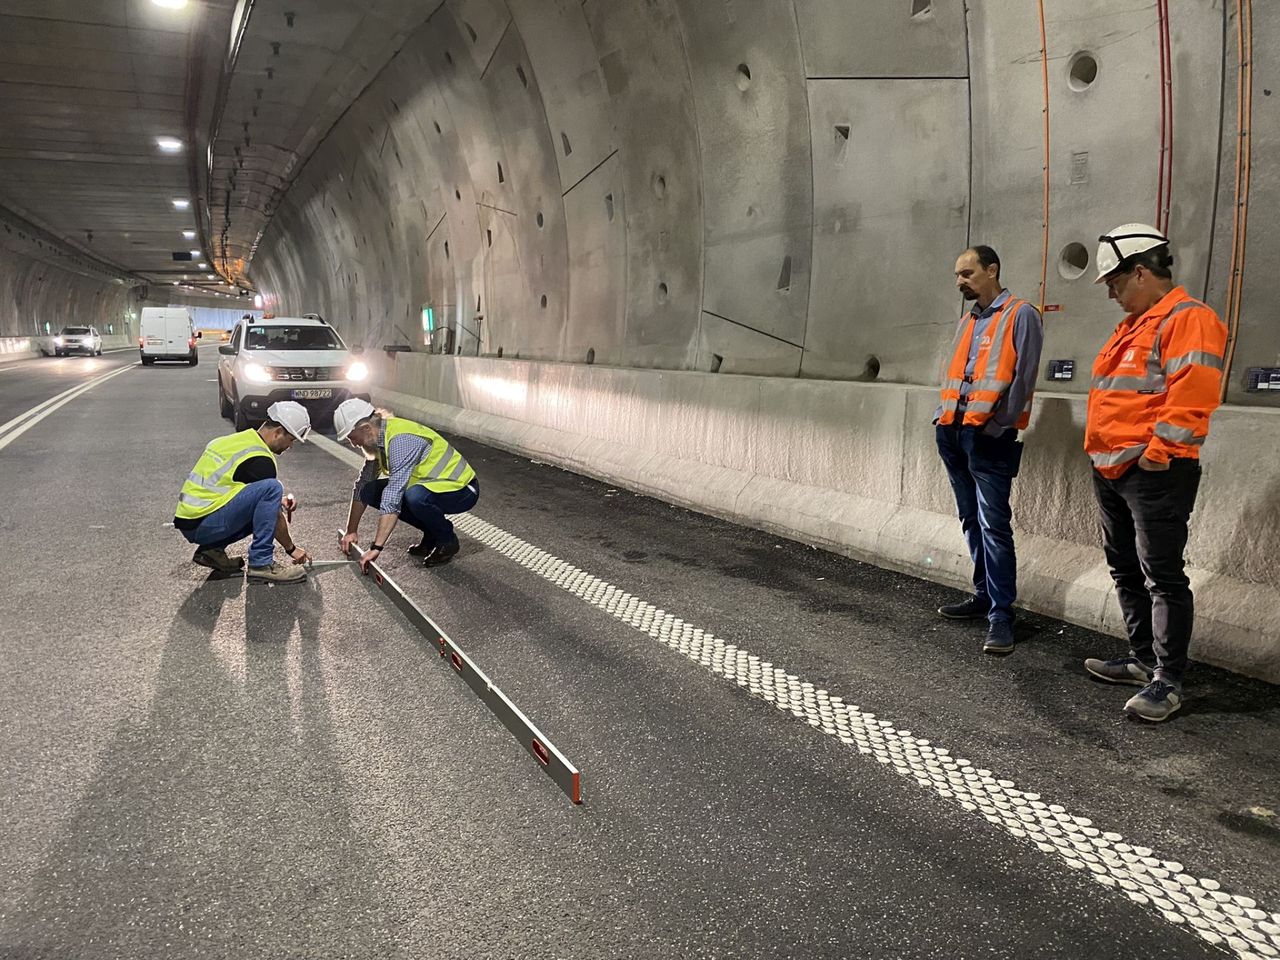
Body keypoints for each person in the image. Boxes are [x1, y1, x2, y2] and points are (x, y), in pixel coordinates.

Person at [1082, 224, 1228, 722]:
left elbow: (1193, 397)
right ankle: (1143, 660)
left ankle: (1168, 679)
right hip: (1113, 468)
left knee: (1162, 576)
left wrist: (1157, 454)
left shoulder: (1189, 319)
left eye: (1114, 281)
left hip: (1154, 472)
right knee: (1125, 567)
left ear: (1141, 271)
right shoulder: (1134, 324)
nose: (1110, 291)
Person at [934, 246, 1044, 655]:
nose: (960, 281)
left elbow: (1023, 378)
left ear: (992, 270)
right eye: (957, 275)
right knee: (970, 519)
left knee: (995, 526)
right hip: (953, 432)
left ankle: (1001, 615)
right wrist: (940, 417)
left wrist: (999, 426)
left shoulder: (1021, 314)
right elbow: (957, 373)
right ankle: (982, 596)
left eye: (967, 273)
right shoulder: (969, 319)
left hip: (989, 436)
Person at [174, 401, 314, 583]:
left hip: (191, 521)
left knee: (269, 497)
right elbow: (272, 515)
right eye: (291, 439)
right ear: (278, 432)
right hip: (204, 524)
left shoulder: (233, 441)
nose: (291, 446)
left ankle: (212, 551)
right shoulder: (261, 459)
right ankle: (261, 563)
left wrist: (278, 501)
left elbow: (234, 490)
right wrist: (292, 549)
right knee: (273, 487)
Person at [334, 399, 479, 572]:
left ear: (366, 428)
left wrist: (376, 548)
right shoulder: (379, 441)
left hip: (461, 489)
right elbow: (362, 485)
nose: (354, 444)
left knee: (413, 496)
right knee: (370, 491)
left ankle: (447, 541)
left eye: (352, 437)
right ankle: (432, 533)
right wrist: (351, 531)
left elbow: (394, 494)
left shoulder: (400, 440)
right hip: (432, 486)